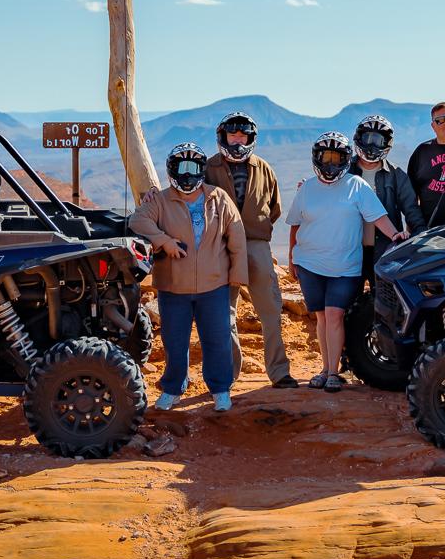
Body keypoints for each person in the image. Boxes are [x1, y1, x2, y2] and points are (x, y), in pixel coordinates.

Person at [129, 142, 247, 411]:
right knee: (174, 341)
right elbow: (137, 221)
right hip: (173, 287)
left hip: (214, 285)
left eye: (193, 167)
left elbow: (236, 238)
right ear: (172, 170)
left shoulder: (218, 198)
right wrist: (163, 241)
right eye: (181, 167)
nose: (187, 174)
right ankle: (173, 389)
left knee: (217, 339)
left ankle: (220, 391)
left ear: (201, 169)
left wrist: (237, 276)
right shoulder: (159, 199)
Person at [286, 132, 407, 392]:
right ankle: (324, 368)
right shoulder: (306, 187)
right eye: (326, 157)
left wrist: (396, 234)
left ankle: (333, 372)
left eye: (337, 157)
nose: (330, 163)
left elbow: (378, 217)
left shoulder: (357, 185)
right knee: (321, 317)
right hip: (309, 263)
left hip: (344, 266)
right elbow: (296, 224)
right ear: (316, 157)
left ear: (346, 158)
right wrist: (291, 257)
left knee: (335, 314)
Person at [203, 111, 296, 389]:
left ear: (251, 138)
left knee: (270, 309)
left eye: (243, 135)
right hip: (219, 247)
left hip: (257, 246)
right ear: (223, 136)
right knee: (223, 313)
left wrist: (254, 231)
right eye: (233, 135)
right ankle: (227, 376)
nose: (238, 140)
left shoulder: (264, 168)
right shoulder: (209, 168)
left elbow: (274, 208)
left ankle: (279, 373)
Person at [348, 114, 424, 281]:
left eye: (378, 140)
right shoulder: (345, 172)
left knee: (385, 303)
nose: (371, 144)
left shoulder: (396, 175)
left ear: (387, 143)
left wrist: (419, 244)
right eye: (367, 138)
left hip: (385, 251)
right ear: (359, 137)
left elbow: (412, 211)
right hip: (348, 251)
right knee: (349, 302)